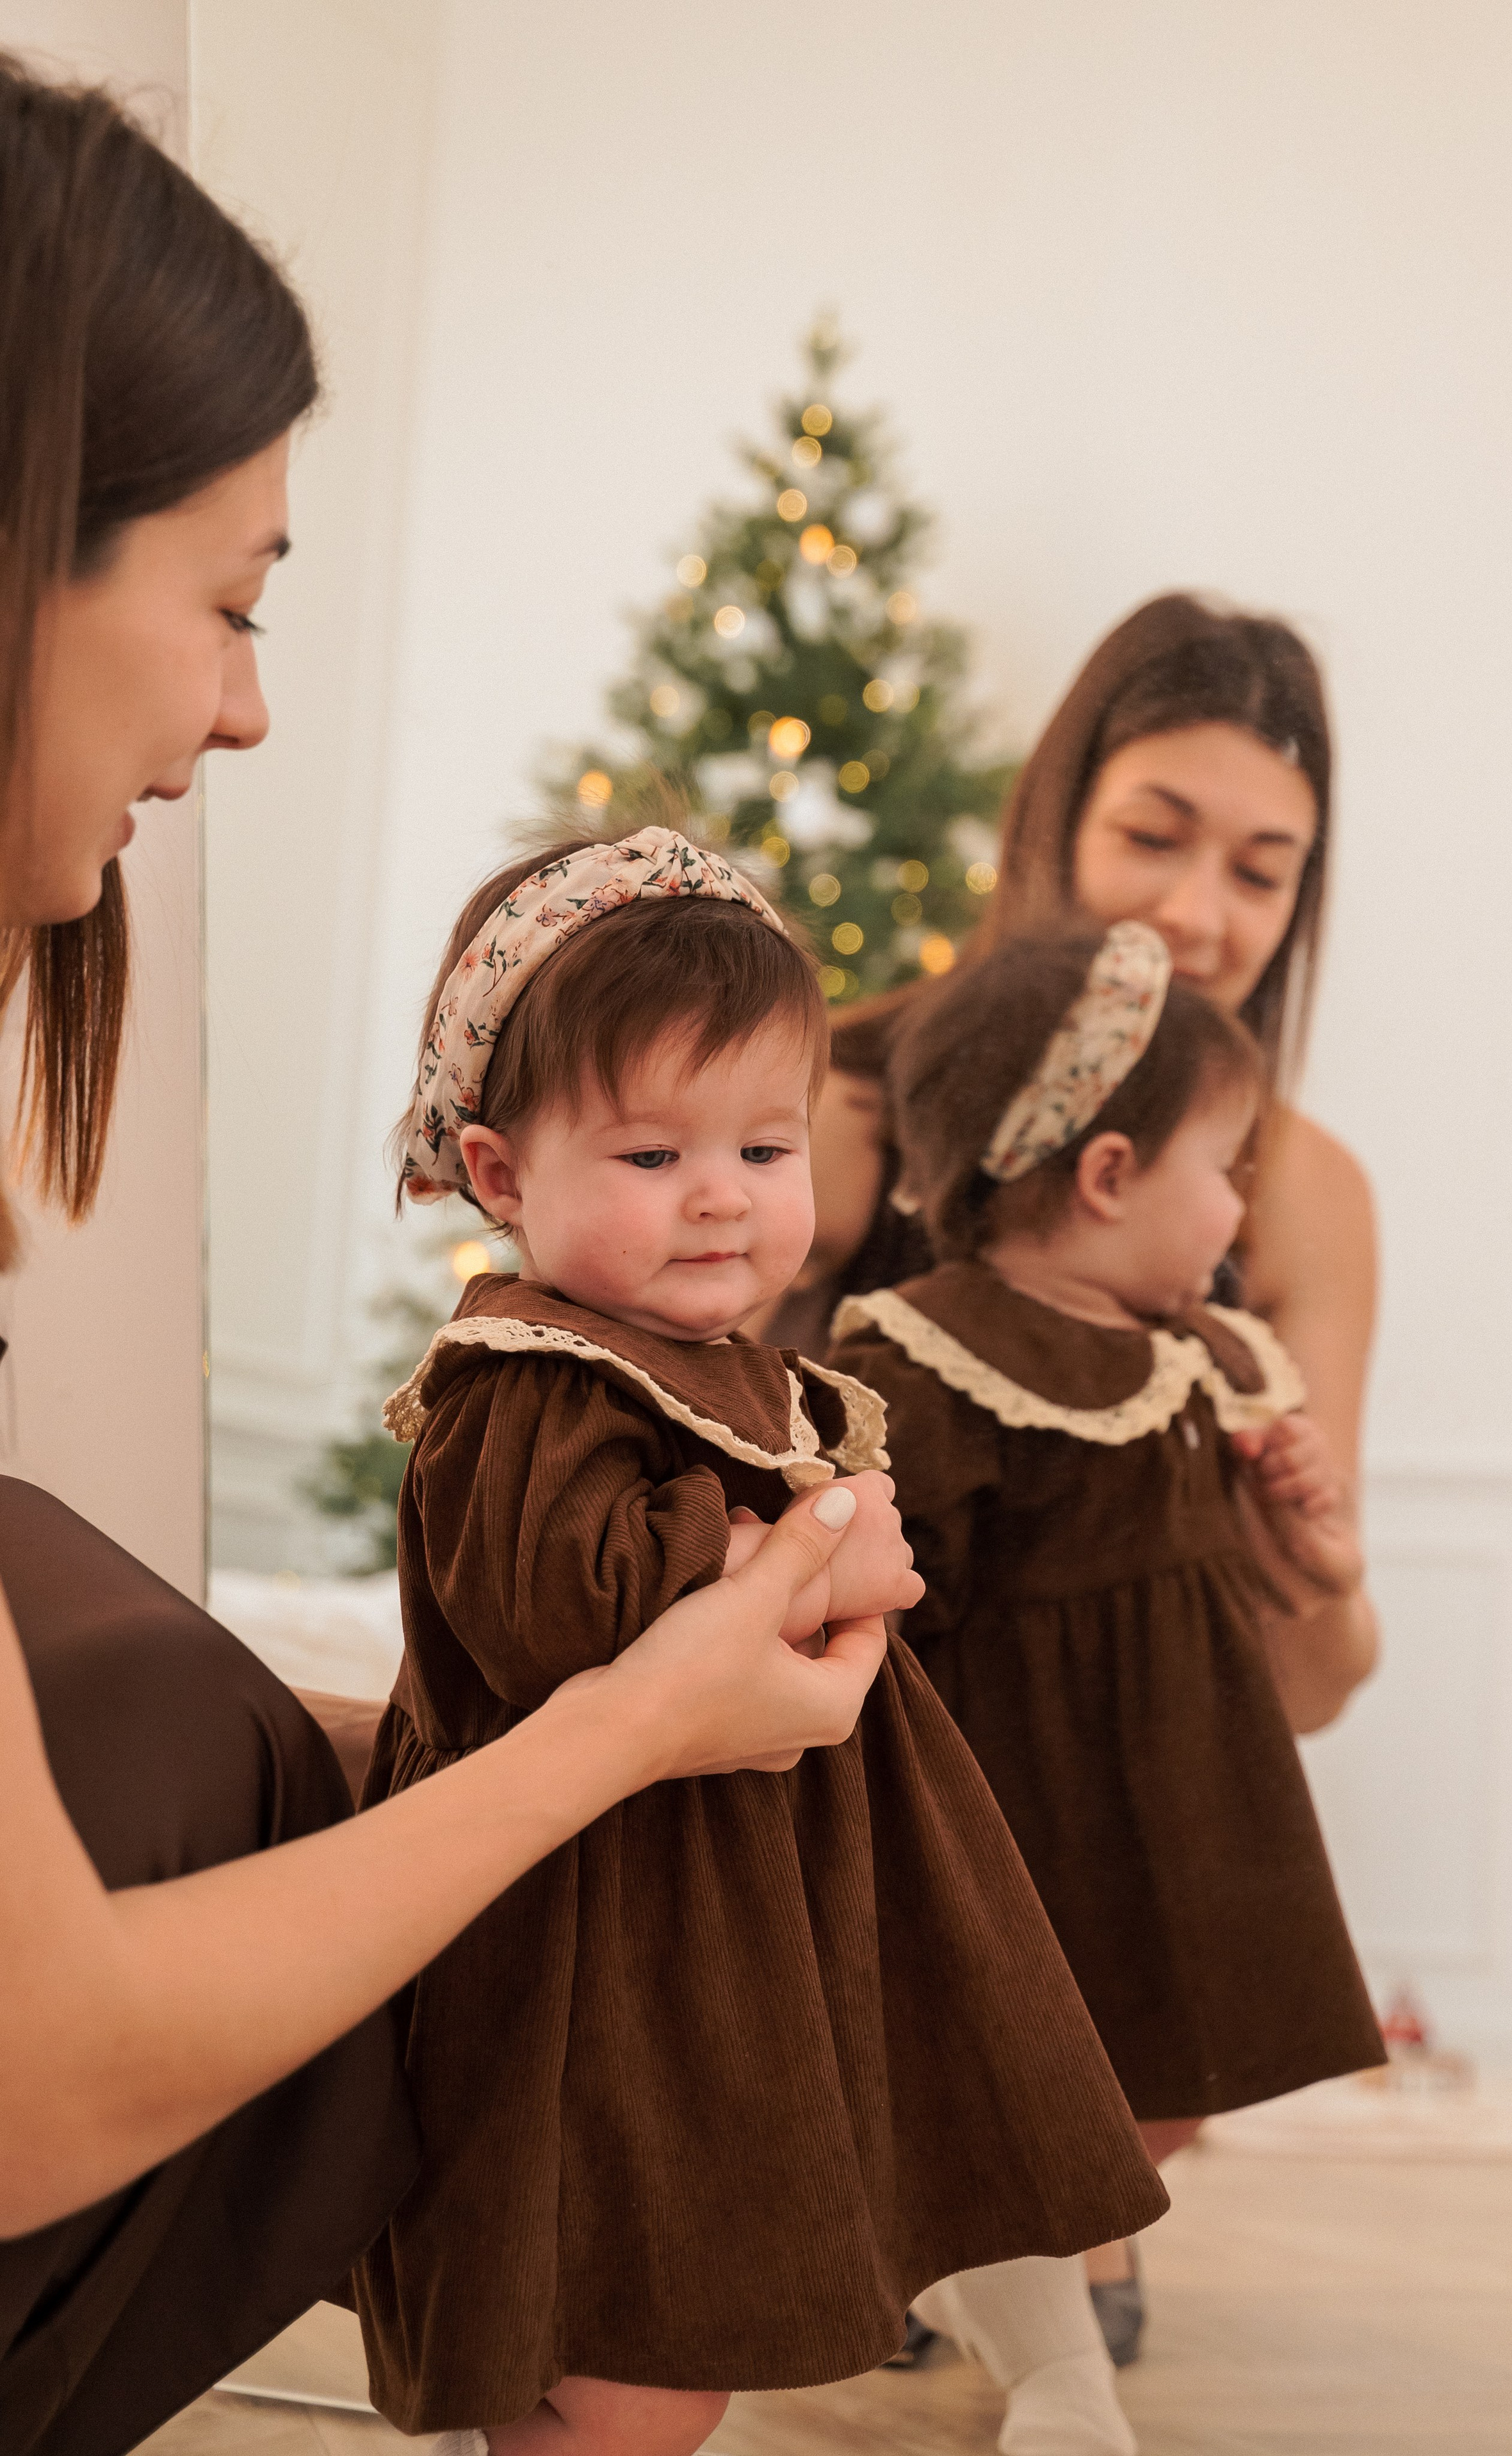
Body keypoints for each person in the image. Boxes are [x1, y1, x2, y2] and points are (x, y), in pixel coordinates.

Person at [0, 56, 886, 2456]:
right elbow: (41, 2073)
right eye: (224, 601)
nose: (250, 703)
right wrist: (654, 1696)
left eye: (767, 1144)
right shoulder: (527, 1385)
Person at [352, 827, 1169, 2455]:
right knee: (616, 2322)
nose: (722, 1196)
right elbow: (557, 1605)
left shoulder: (730, 1358)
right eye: (652, 1158)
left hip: (733, 1914)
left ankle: (1043, 2366)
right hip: (599, 1943)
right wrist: (790, 1549)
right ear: (504, 1177)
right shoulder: (532, 1372)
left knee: (715, 2286)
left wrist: (840, 1540)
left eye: (765, 1147)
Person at [778, 591, 1383, 2366]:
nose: (1202, 915)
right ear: (1052, 822)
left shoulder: (1294, 1193)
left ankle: (1047, 2181)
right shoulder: (839, 1101)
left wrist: (1307, 1562)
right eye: (1153, 836)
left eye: (1264, 869)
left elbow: (1322, 1683)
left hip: (1102, 1796)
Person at [831, 918, 1385, 2154]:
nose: (1241, 1210)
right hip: (1035, 1811)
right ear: (1110, 1177)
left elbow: (1268, 1579)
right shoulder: (932, 1358)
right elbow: (878, 1597)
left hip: (1188, 1806)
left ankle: (1034, 2271)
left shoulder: (1207, 1358)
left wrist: (1295, 1515)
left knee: (1179, 2078)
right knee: (1021, 2084)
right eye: (1226, 1171)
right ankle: (995, 2268)